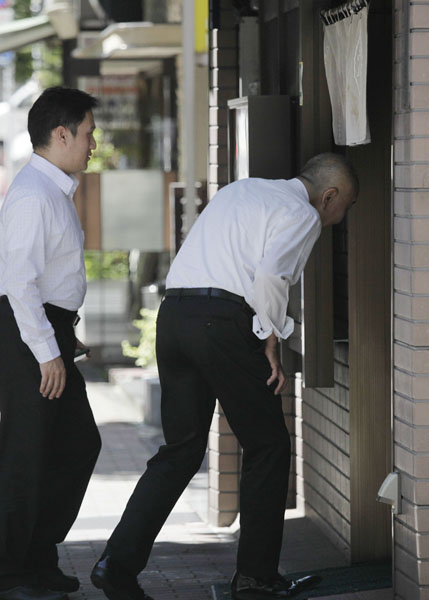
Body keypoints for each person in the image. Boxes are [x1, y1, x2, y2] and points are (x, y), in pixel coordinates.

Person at [91, 153, 358, 600]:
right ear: (328, 196)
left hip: (174, 316)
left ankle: (115, 563)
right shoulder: (302, 213)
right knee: (268, 445)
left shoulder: (242, 190)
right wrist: (270, 337)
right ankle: (256, 577)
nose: (338, 219)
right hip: (222, 322)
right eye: (344, 208)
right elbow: (270, 277)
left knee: (180, 450)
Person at [0, 87, 102, 600]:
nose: (93, 144)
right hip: (27, 337)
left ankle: (36, 557)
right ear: (61, 134)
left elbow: (45, 278)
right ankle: (11, 570)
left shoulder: (50, 190)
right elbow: (17, 281)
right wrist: (46, 350)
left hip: (47, 330)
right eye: (87, 133)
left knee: (75, 444)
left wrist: (64, 335)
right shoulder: (33, 195)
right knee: (26, 455)